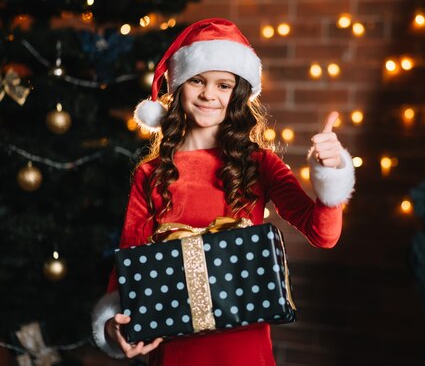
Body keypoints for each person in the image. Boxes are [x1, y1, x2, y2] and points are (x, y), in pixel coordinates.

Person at [91, 18, 355, 366]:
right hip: (175, 351)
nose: (208, 95)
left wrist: (331, 172)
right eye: (198, 81)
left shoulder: (260, 164)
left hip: (243, 350)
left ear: (238, 93)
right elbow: (128, 261)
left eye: (223, 85)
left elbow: (323, 234)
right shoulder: (150, 174)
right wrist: (112, 325)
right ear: (179, 85)